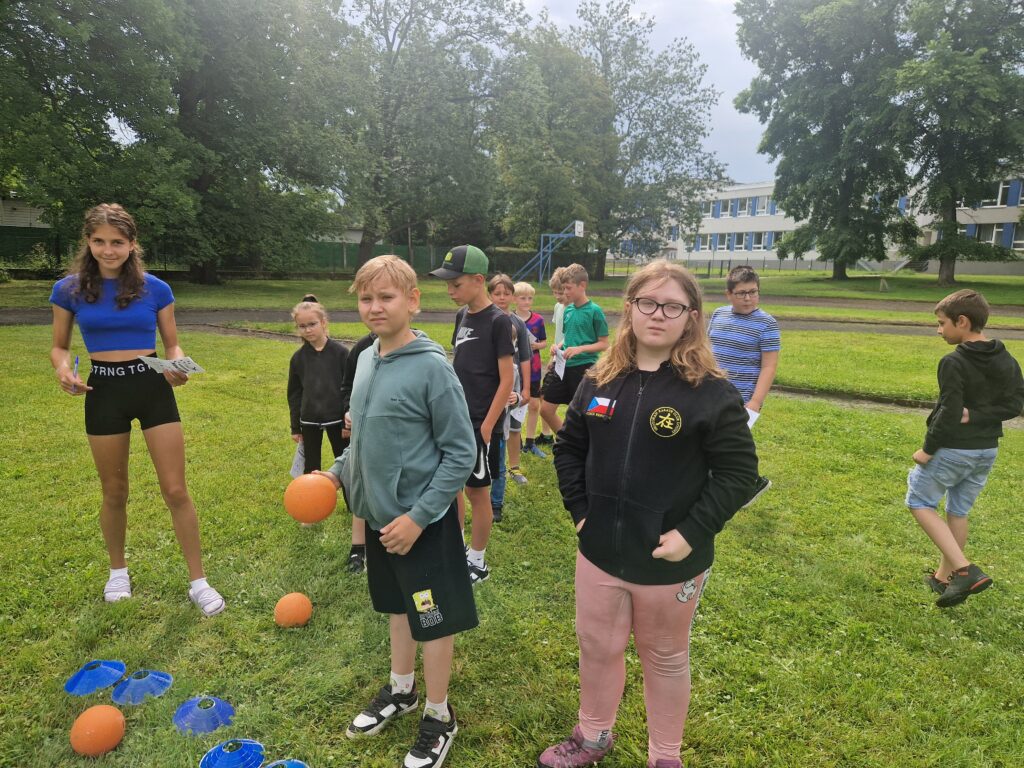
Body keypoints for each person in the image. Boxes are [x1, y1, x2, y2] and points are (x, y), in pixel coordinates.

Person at [540, 260, 758, 768]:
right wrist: (580, 513)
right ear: (630, 309)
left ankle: (665, 756)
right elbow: (569, 448)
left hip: (669, 560)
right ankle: (593, 735)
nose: (658, 314)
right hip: (599, 551)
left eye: (672, 306)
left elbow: (738, 474)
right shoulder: (598, 379)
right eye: (648, 303)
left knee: (665, 657)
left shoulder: (712, 393)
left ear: (692, 317)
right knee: (597, 646)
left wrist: (691, 532)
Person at [317, 256, 477, 768]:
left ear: (413, 301)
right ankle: (402, 689)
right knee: (399, 609)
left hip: (420, 525)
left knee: (432, 617)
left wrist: (419, 517)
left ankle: (439, 714)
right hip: (381, 521)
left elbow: (461, 453)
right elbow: (363, 438)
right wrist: (335, 473)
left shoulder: (432, 367)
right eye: (366, 298)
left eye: (386, 297)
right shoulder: (365, 358)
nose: (374, 307)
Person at [49, 203, 224, 616]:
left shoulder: (156, 289)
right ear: (88, 242)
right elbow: (59, 346)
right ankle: (117, 572)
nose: (108, 250)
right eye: (99, 241)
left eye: (117, 242)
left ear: (131, 244)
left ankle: (198, 582)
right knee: (114, 491)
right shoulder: (68, 290)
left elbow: (172, 344)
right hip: (103, 391)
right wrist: (63, 370)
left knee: (176, 489)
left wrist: (178, 367)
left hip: (151, 387)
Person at [907, 289, 1024, 608]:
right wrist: (977, 415)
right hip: (985, 451)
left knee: (919, 501)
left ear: (962, 321)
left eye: (941, 323)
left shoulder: (953, 362)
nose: (938, 330)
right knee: (958, 511)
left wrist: (927, 450)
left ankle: (964, 570)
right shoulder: (1006, 358)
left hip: (953, 450)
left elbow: (949, 412)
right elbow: (1015, 405)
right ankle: (943, 578)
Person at [430, 245, 514, 584]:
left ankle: (478, 561)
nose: (450, 291)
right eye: (448, 285)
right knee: (453, 486)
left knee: (477, 493)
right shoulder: (461, 316)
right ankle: (457, 547)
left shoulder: (499, 321)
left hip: (479, 424)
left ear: (479, 280)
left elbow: (506, 379)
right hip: (454, 419)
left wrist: (488, 426)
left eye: (456, 284)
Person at [287, 294, 366, 570]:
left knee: (345, 466)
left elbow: (349, 388)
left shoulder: (341, 353)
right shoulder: (298, 359)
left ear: (323, 322)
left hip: (337, 421)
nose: (308, 330)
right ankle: (309, 509)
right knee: (312, 466)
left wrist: (347, 420)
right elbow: (294, 394)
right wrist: (295, 426)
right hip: (309, 421)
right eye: (302, 326)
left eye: (312, 324)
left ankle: (352, 506)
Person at [707, 266, 779, 505]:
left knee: (730, 445)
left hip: (742, 398)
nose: (748, 298)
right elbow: (708, 350)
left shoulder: (767, 324)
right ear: (728, 294)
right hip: (712, 391)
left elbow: (769, 367)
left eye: (753, 292)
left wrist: (755, 402)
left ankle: (750, 484)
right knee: (712, 441)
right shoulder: (719, 314)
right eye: (741, 293)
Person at [539, 263, 609, 435]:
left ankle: (584, 444)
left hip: (584, 368)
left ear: (582, 285)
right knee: (546, 410)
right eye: (563, 288)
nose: (565, 292)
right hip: (563, 367)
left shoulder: (594, 311)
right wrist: (558, 346)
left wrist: (579, 349)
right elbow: (568, 336)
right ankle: (567, 441)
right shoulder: (568, 310)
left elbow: (604, 344)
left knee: (583, 415)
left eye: (568, 288)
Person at [487, 273, 533, 523]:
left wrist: (525, 389)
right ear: (490, 295)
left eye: (507, 293)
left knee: (510, 432)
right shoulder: (481, 318)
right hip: (486, 392)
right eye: (497, 293)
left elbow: (525, 357)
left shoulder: (518, 323)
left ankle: (506, 480)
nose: (502, 298)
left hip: (511, 392)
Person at [338, 331, 377, 573]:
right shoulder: (362, 349)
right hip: (363, 432)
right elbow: (347, 387)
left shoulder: (422, 354)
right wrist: (348, 410)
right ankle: (358, 548)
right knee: (361, 484)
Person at [514, 281, 548, 458]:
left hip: (534, 370)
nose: (527, 301)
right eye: (523, 298)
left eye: (530, 298)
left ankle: (530, 442)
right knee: (516, 404)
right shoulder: (508, 319)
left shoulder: (538, 320)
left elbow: (544, 341)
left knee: (534, 405)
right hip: (515, 370)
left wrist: (537, 345)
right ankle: (516, 440)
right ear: (514, 299)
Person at [534, 268, 566, 448]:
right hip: (557, 360)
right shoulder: (557, 307)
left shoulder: (575, 309)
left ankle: (568, 440)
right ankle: (547, 434)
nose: (558, 296)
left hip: (571, 360)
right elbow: (559, 333)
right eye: (555, 292)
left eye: (561, 292)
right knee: (544, 396)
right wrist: (552, 358)